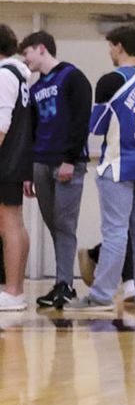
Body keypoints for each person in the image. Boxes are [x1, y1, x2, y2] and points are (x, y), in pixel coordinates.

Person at [71, 24, 135, 312]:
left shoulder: (111, 80)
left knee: (115, 232)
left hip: (119, 164)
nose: (109, 51)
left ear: (119, 46)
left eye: (110, 46)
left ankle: (101, 295)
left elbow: (96, 127)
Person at [21, 30, 91, 309]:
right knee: (54, 225)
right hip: (41, 162)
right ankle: (61, 284)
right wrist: (27, 171)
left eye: (26, 53)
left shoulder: (72, 77)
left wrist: (70, 159)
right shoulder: (36, 88)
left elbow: (81, 119)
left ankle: (66, 285)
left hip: (66, 163)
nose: (25, 60)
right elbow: (31, 131)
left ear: (40, 49)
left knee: (65, 224)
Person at [0, 24, 33, 311]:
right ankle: (15, 289)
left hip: (6, 160)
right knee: (15, 223)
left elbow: (1, 126)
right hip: (16, 159)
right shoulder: (20, 74)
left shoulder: (4, 76)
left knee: (9, 224)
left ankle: (12, 291)